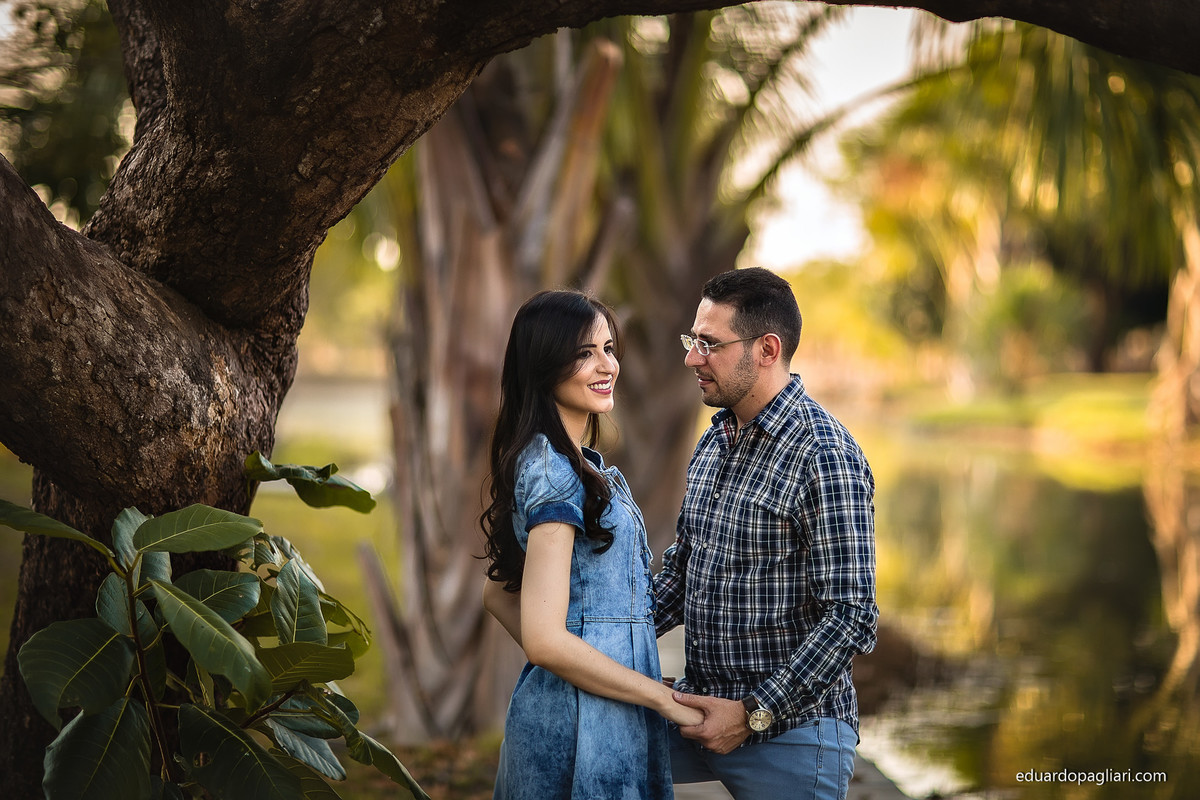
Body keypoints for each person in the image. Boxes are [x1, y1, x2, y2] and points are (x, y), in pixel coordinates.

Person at [654, 267, 879, 800]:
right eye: (693, 340)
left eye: (709, 344)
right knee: (582, 755)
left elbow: (852, 616)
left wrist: (754, 714)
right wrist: (601, 638)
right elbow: (682, 573)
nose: (692, 358)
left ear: (767, 349)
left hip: (792, 731)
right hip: (698, 710)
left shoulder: (825, 455)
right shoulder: (715, 443)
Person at [481, 289, 703, 800]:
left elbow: (497, 594)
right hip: (579, 731)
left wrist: (582, 661)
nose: (606, 366)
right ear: (543, 364)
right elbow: (544, 640)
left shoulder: (577, 465)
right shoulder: (553, 473)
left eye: (608, 348)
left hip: (605, 707)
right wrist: (659, 697)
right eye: (584, 353)